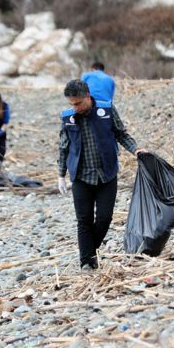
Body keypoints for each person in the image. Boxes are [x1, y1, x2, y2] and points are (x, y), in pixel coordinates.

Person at [58, 79, 146, 270]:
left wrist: (136, 150)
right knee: (84, 220)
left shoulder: (106, 110)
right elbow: (64, 147)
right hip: (81, 176)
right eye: (71, 104)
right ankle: (86, 262)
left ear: (87, 96)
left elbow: (121, 134)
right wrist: (60, 175)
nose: (75, 108)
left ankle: (89, 251)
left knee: (105, 218)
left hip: (106, 174)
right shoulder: (68, 118)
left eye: (78, 103)